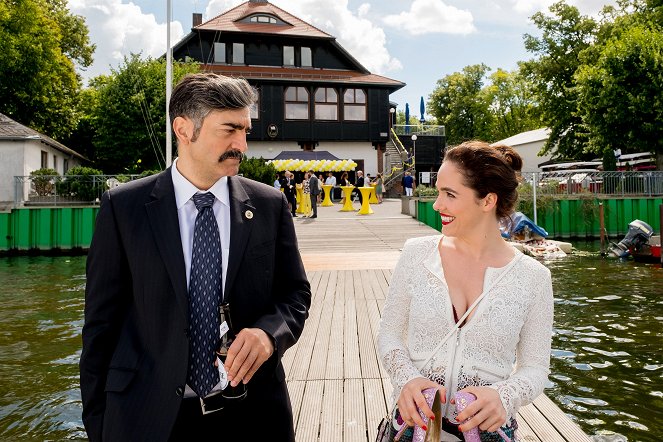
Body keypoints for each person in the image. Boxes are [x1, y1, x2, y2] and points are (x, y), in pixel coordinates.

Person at [80, 73, 312, 442]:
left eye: (245, 131)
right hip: (147, 417)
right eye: (230, 130)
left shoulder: (269, 204)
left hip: (253, 415)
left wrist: (269, 334)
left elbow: (295, 295)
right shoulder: (123, 208)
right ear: (184, 129)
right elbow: (100, 327)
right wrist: (98, 424)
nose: (243, 145)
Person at [377, 141, 553, 441]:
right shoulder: (416, 254)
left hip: (488, 434)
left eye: (450, 194)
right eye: (438, 191)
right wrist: (407, 380)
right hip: (412, 428)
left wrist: (504, 397)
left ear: (487, 201)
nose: (436, 204)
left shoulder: (534, 277)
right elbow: (389, 335)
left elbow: (535, 369)